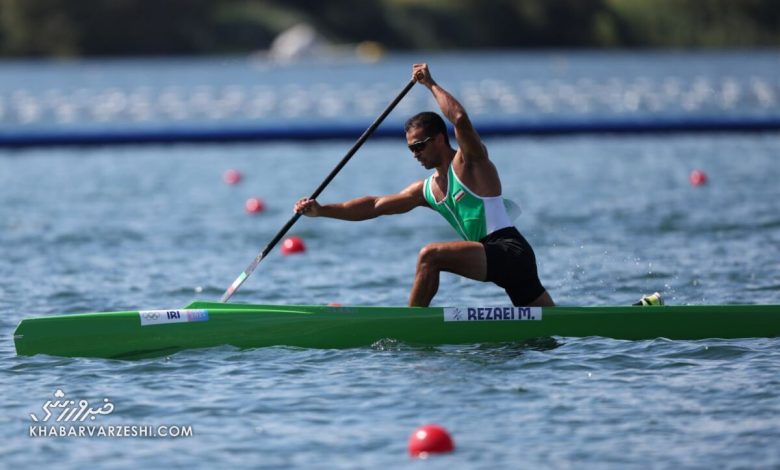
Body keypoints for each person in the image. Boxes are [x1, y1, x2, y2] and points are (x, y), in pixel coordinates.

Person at [294, 63, 555, 307]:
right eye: (410, 148)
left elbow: (461, 119)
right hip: (494, 259)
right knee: (550, 326)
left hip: (509, 250)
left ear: (440, 139)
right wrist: (321, 210)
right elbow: (374, 206)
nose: (415, 153)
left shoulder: (471, 162)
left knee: (430, 256)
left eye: (419, 146)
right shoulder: (426, 190)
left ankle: (410, 324)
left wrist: (430, 84)